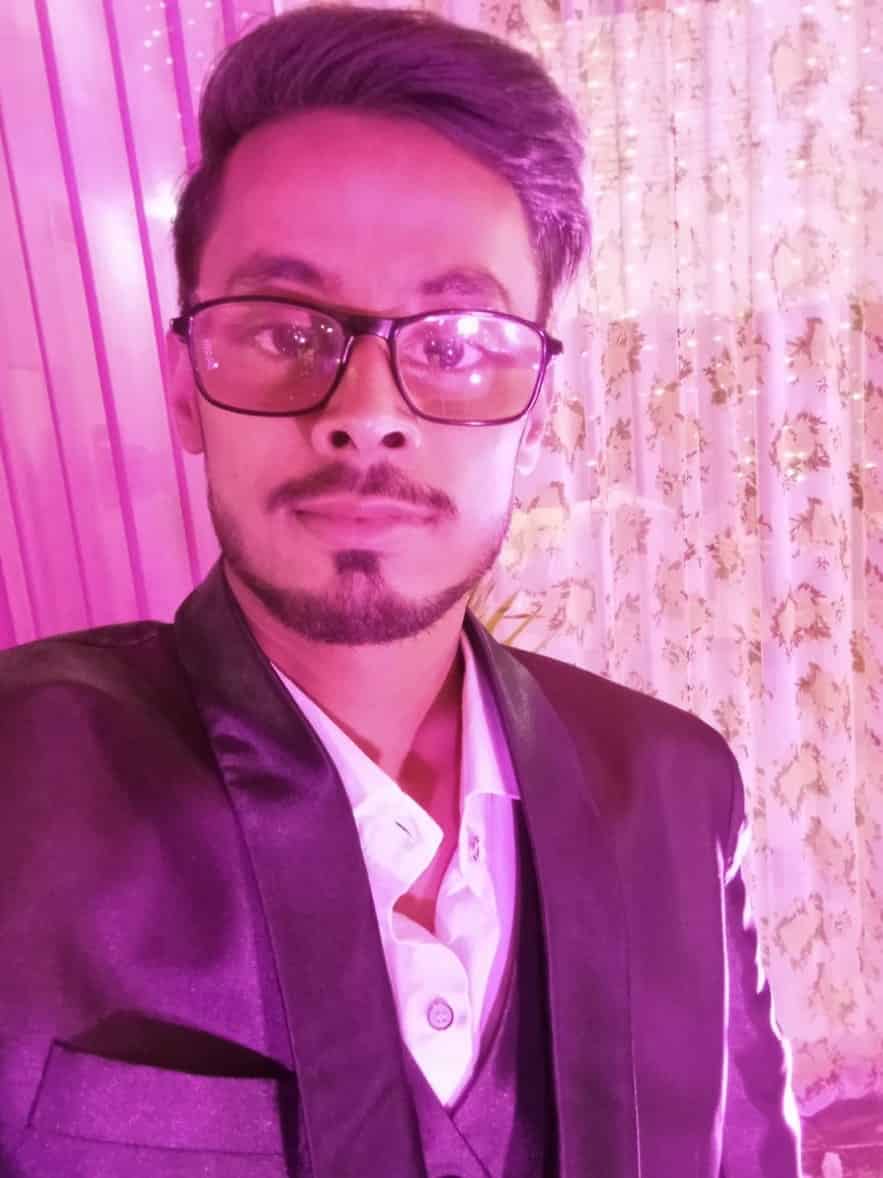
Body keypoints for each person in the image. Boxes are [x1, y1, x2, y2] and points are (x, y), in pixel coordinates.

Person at [0, 6, 802, 1176]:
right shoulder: (23, 783)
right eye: (284, 330)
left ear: (535, 403)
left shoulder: (679, 791)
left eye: (456, 341)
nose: (366, 410)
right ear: (185, 386)